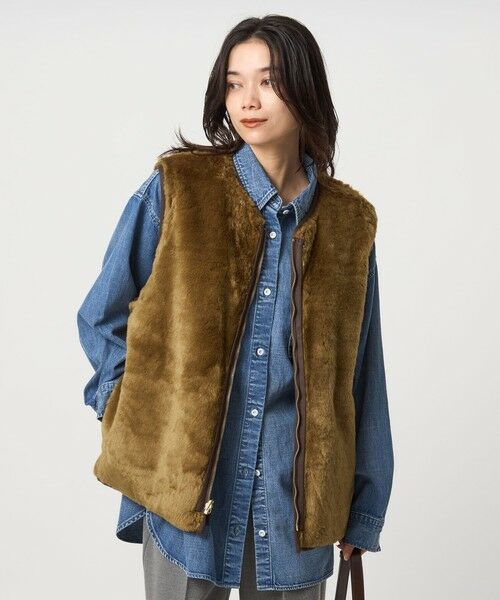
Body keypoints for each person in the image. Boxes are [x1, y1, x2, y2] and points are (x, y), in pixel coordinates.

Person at [77, 14, 394, 600]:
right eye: (233, 83)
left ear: (305, 89)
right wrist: (132, 413)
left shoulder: (349, 225)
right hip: (183, 500)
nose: (248, 100)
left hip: (295, 508)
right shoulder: (177, 188)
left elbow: (362, 378)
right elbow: (102, 315)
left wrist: (363, 508)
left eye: (268, 81)